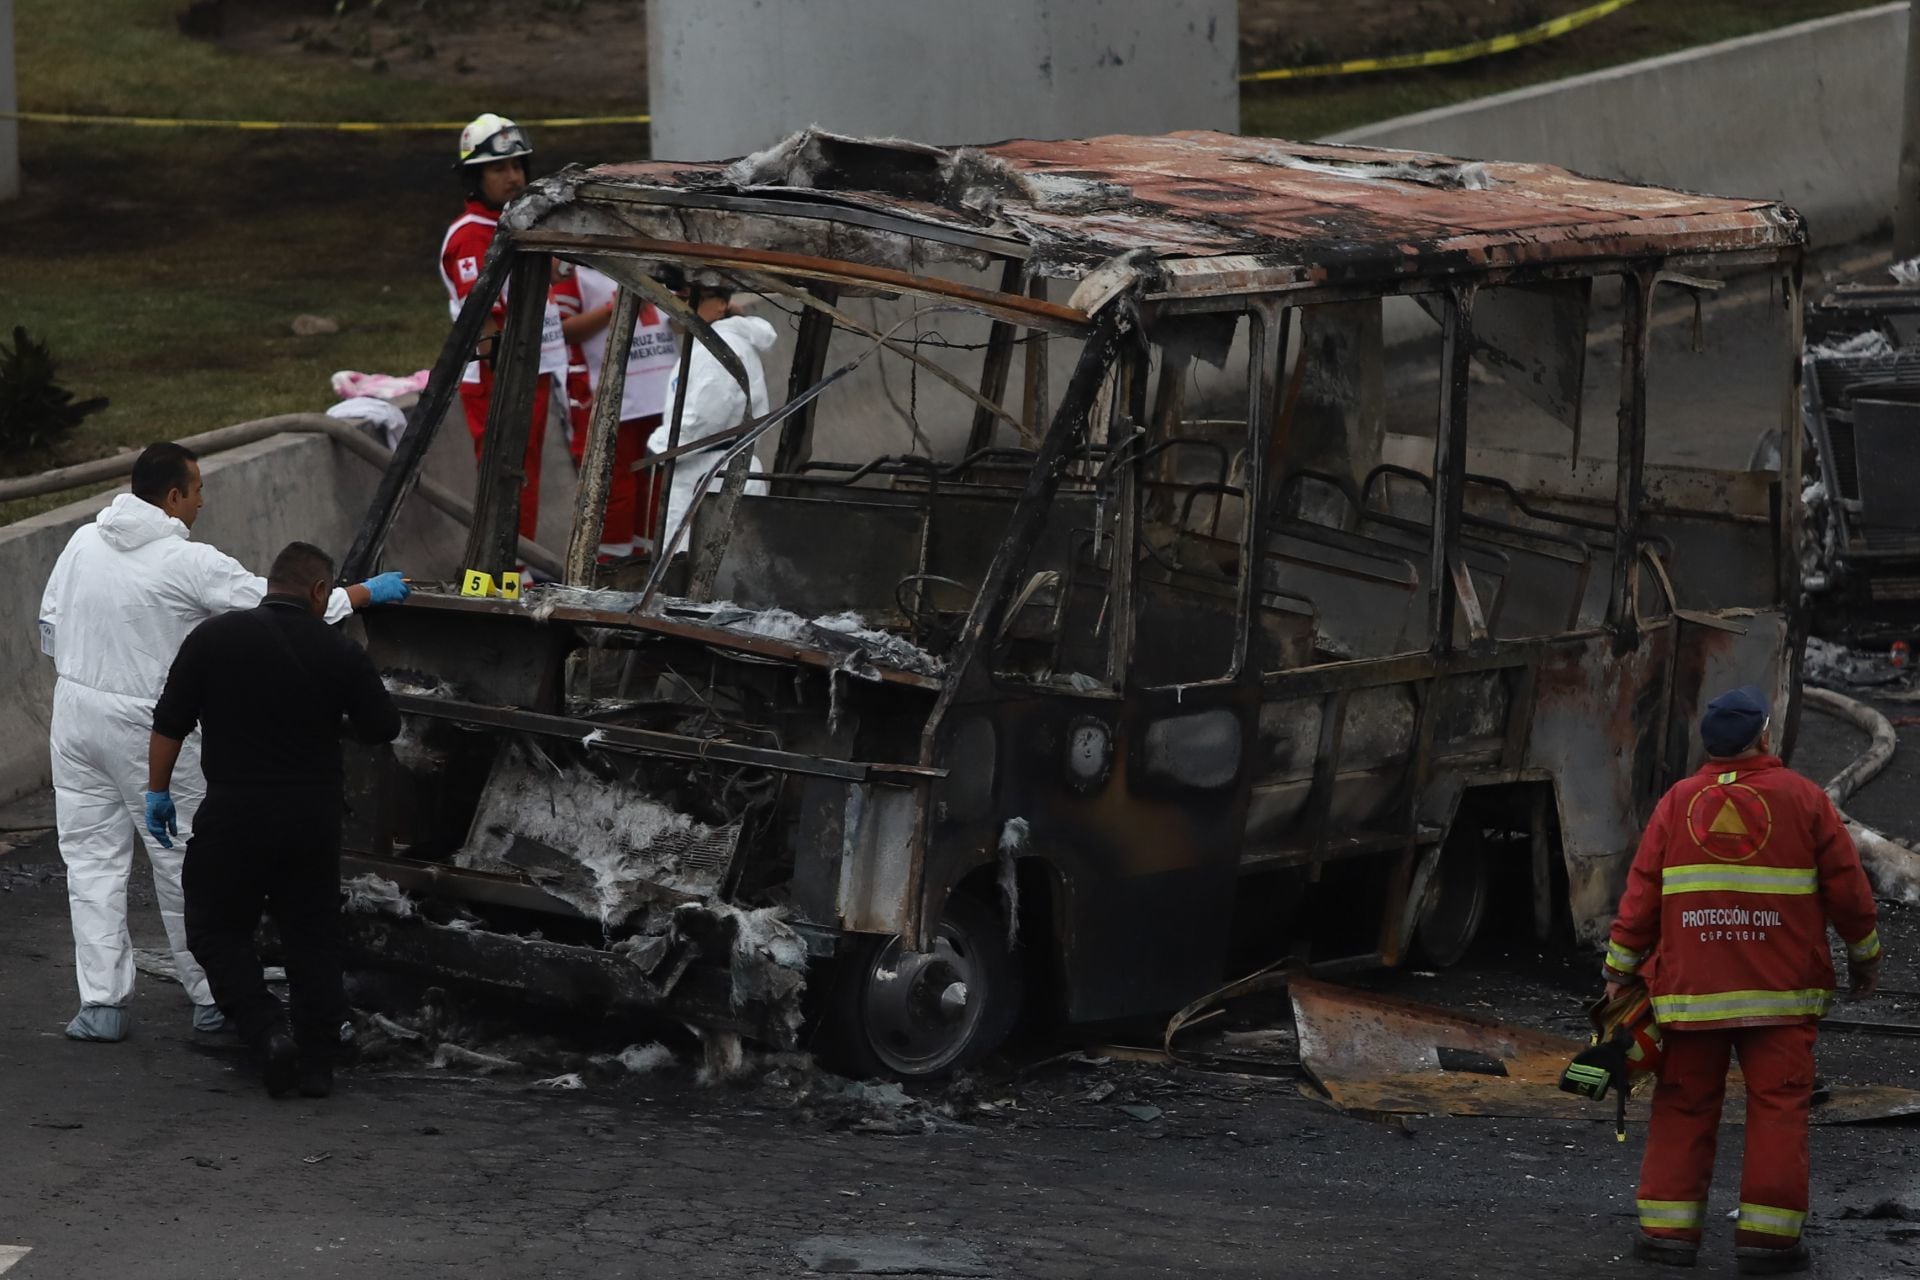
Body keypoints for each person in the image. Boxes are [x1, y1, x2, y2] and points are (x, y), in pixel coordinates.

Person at [36, 442, 408, 1044]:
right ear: (173, 496)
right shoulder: (188, 562)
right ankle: (212, 997)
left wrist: (91, 669)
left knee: (90, 860)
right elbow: (277, 606)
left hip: (75, 716)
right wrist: (360, 595)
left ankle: (101, 1004)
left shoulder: (82, 542)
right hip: (147, 722)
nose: (202, 501)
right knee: (182, 863)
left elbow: (49, 626)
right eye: (198, 489)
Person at [1602, 685, 1881, 1276]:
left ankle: (1667, 1236)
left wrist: (1618, 975)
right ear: (1763, 737)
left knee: (1683, 1105)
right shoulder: (1804, 799)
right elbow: (1849, 891)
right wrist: (1865, 958)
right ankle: (1768, 1243)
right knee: (1779, 1108)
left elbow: (1641, 897)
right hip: (1780, 996)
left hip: (1692, 996)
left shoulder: (1678, 803)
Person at [151, 541, 403, 1099]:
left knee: (216, 928)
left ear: (270, 584)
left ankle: (265, 1031)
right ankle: (317, 1065)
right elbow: (384, 727)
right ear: (320, 591)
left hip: (233, 812)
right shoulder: (337, 651)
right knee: (311, 936)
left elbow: (169, 721)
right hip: (311, 816)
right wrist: (334, 722)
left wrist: (157, 791)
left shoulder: (213, 638)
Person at [440, 112, 567, 550]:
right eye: (498, 168)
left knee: (525, 473)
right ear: (475, 177)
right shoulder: (472, 235)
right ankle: (503, 562)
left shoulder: (516, 225)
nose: (513, 177)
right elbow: (486, 321)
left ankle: (520, 560)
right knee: (505, 473)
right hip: (500, 375)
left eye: (517, 165)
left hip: (533, 367)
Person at [645, 284, 777, 557]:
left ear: (721, 304)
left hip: (714, 476)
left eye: (691, 298)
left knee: (703, 567)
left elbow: (706, 416)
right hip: (711, 473)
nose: (681, 305)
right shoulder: (709, 343)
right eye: (679, 298)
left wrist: (659, 448)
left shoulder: (718, 347)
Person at [564, 263, 681, 559]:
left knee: (655, 488)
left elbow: (678, 319)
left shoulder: (660, 263)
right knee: (613, 490)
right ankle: (606, 566)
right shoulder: (576, 269)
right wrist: (619, 306)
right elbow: (561, 330)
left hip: (661, 396)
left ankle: (647, 562)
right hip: (611, 400)